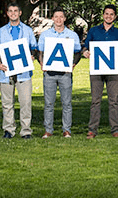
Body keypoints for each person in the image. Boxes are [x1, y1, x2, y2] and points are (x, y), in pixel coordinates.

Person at [0, 3, 38, 139]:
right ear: (7, 13)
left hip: (24, 73)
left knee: (25, 102)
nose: (13, 13)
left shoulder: (28, 30)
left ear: (20, 13)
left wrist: (32, 56)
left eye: (15, 11)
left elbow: (34, 48)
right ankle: (9, 130)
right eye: (10, 11)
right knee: (7, 103)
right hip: (5, 72)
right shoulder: (1, 31)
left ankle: (26, 131)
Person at [82, 4, 118, 139]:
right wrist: (85, 52)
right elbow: (85, 46)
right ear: (103, 15)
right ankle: (92, 130)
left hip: (112, 71)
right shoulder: (94, 31)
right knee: (95, 100)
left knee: (114, 101)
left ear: (115, 16)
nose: (109, 16)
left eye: (111, 14)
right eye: (106, 14)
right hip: (96, 70)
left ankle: (115, 130)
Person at [38, 8, 81, 139]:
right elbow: (40, 52)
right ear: (52, 18)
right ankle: (48, 130)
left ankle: (66, 130)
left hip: (65, 73)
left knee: (67, 103)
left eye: (61, 17)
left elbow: (78, 52)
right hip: (49, 73)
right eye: (56, 17)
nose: (58, 19)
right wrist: (41, 64)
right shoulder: (45, 35)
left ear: (64, 18)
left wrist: (73, 64)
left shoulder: (72, 35)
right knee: (48, 103)